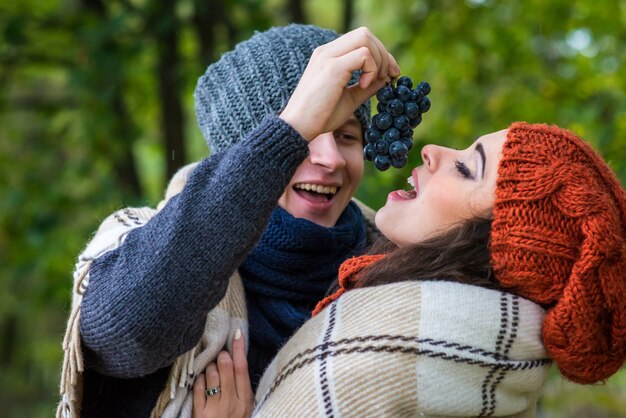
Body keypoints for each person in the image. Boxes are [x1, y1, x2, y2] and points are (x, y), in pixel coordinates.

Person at [56, 24, 400, 418]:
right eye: (307, 133)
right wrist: (290, 129)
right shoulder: (139, 239)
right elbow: (121, 335)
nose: (332, 159)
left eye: (347, 136)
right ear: (250, 153)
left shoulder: (392, 266)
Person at [194, 123, 626, 417]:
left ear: (489, 247)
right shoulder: (467, 347)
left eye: (465, 168)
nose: (433, 151)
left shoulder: (376, 361)